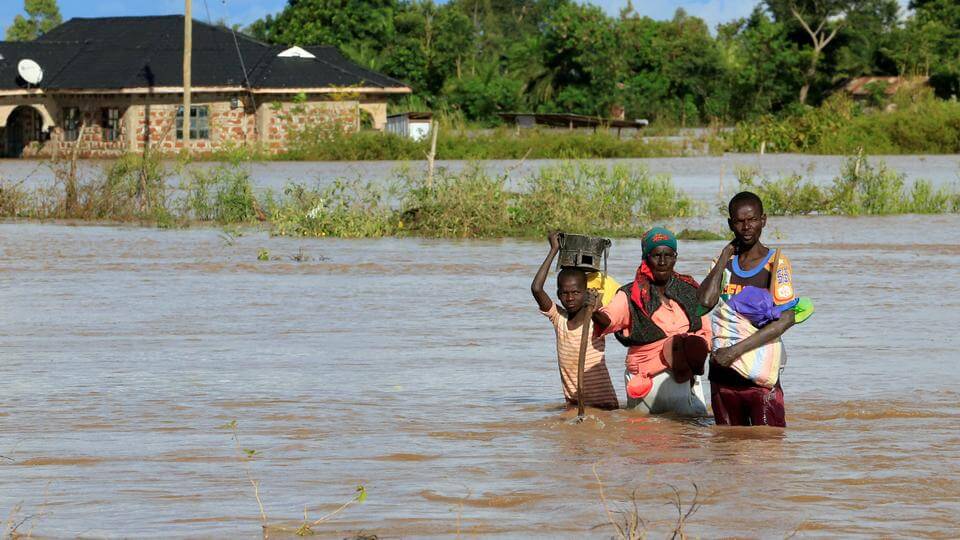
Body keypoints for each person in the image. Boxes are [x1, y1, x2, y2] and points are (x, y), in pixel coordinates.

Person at [698, 191, 800, 427]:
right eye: (739, 221)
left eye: (752, 220)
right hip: (722, 377)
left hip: (759, 378)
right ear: (730, 224)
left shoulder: (776, 263)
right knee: (725, 444)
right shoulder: (722, 263)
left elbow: (786, 320)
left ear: (763, 220)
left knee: (767, 444)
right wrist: (724, 257)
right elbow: (705, 302)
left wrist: (734, 352)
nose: (746, 227)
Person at [592, 227, 711, 415]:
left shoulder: (689, 290)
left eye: (668, 255)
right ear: (646, 258)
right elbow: (608, 320)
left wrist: (689, 354)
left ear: (675, 258)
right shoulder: (630, 295)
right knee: (645, 430)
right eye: (656, 255)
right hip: (645, 380)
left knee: (693, 429)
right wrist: (593, 310)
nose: (662, 262)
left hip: (685, 378)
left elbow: (706, 333)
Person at [531, 232, 619, 410]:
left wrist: (595, 309)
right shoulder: (559, 319)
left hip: (605, 406)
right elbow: (536, 289)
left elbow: (607, 322)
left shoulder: (594, 320)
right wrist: (554, 250)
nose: (570, 298)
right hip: (575, 405)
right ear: (558, 295)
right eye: (565, 293)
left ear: (586, 293)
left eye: (576, 292)